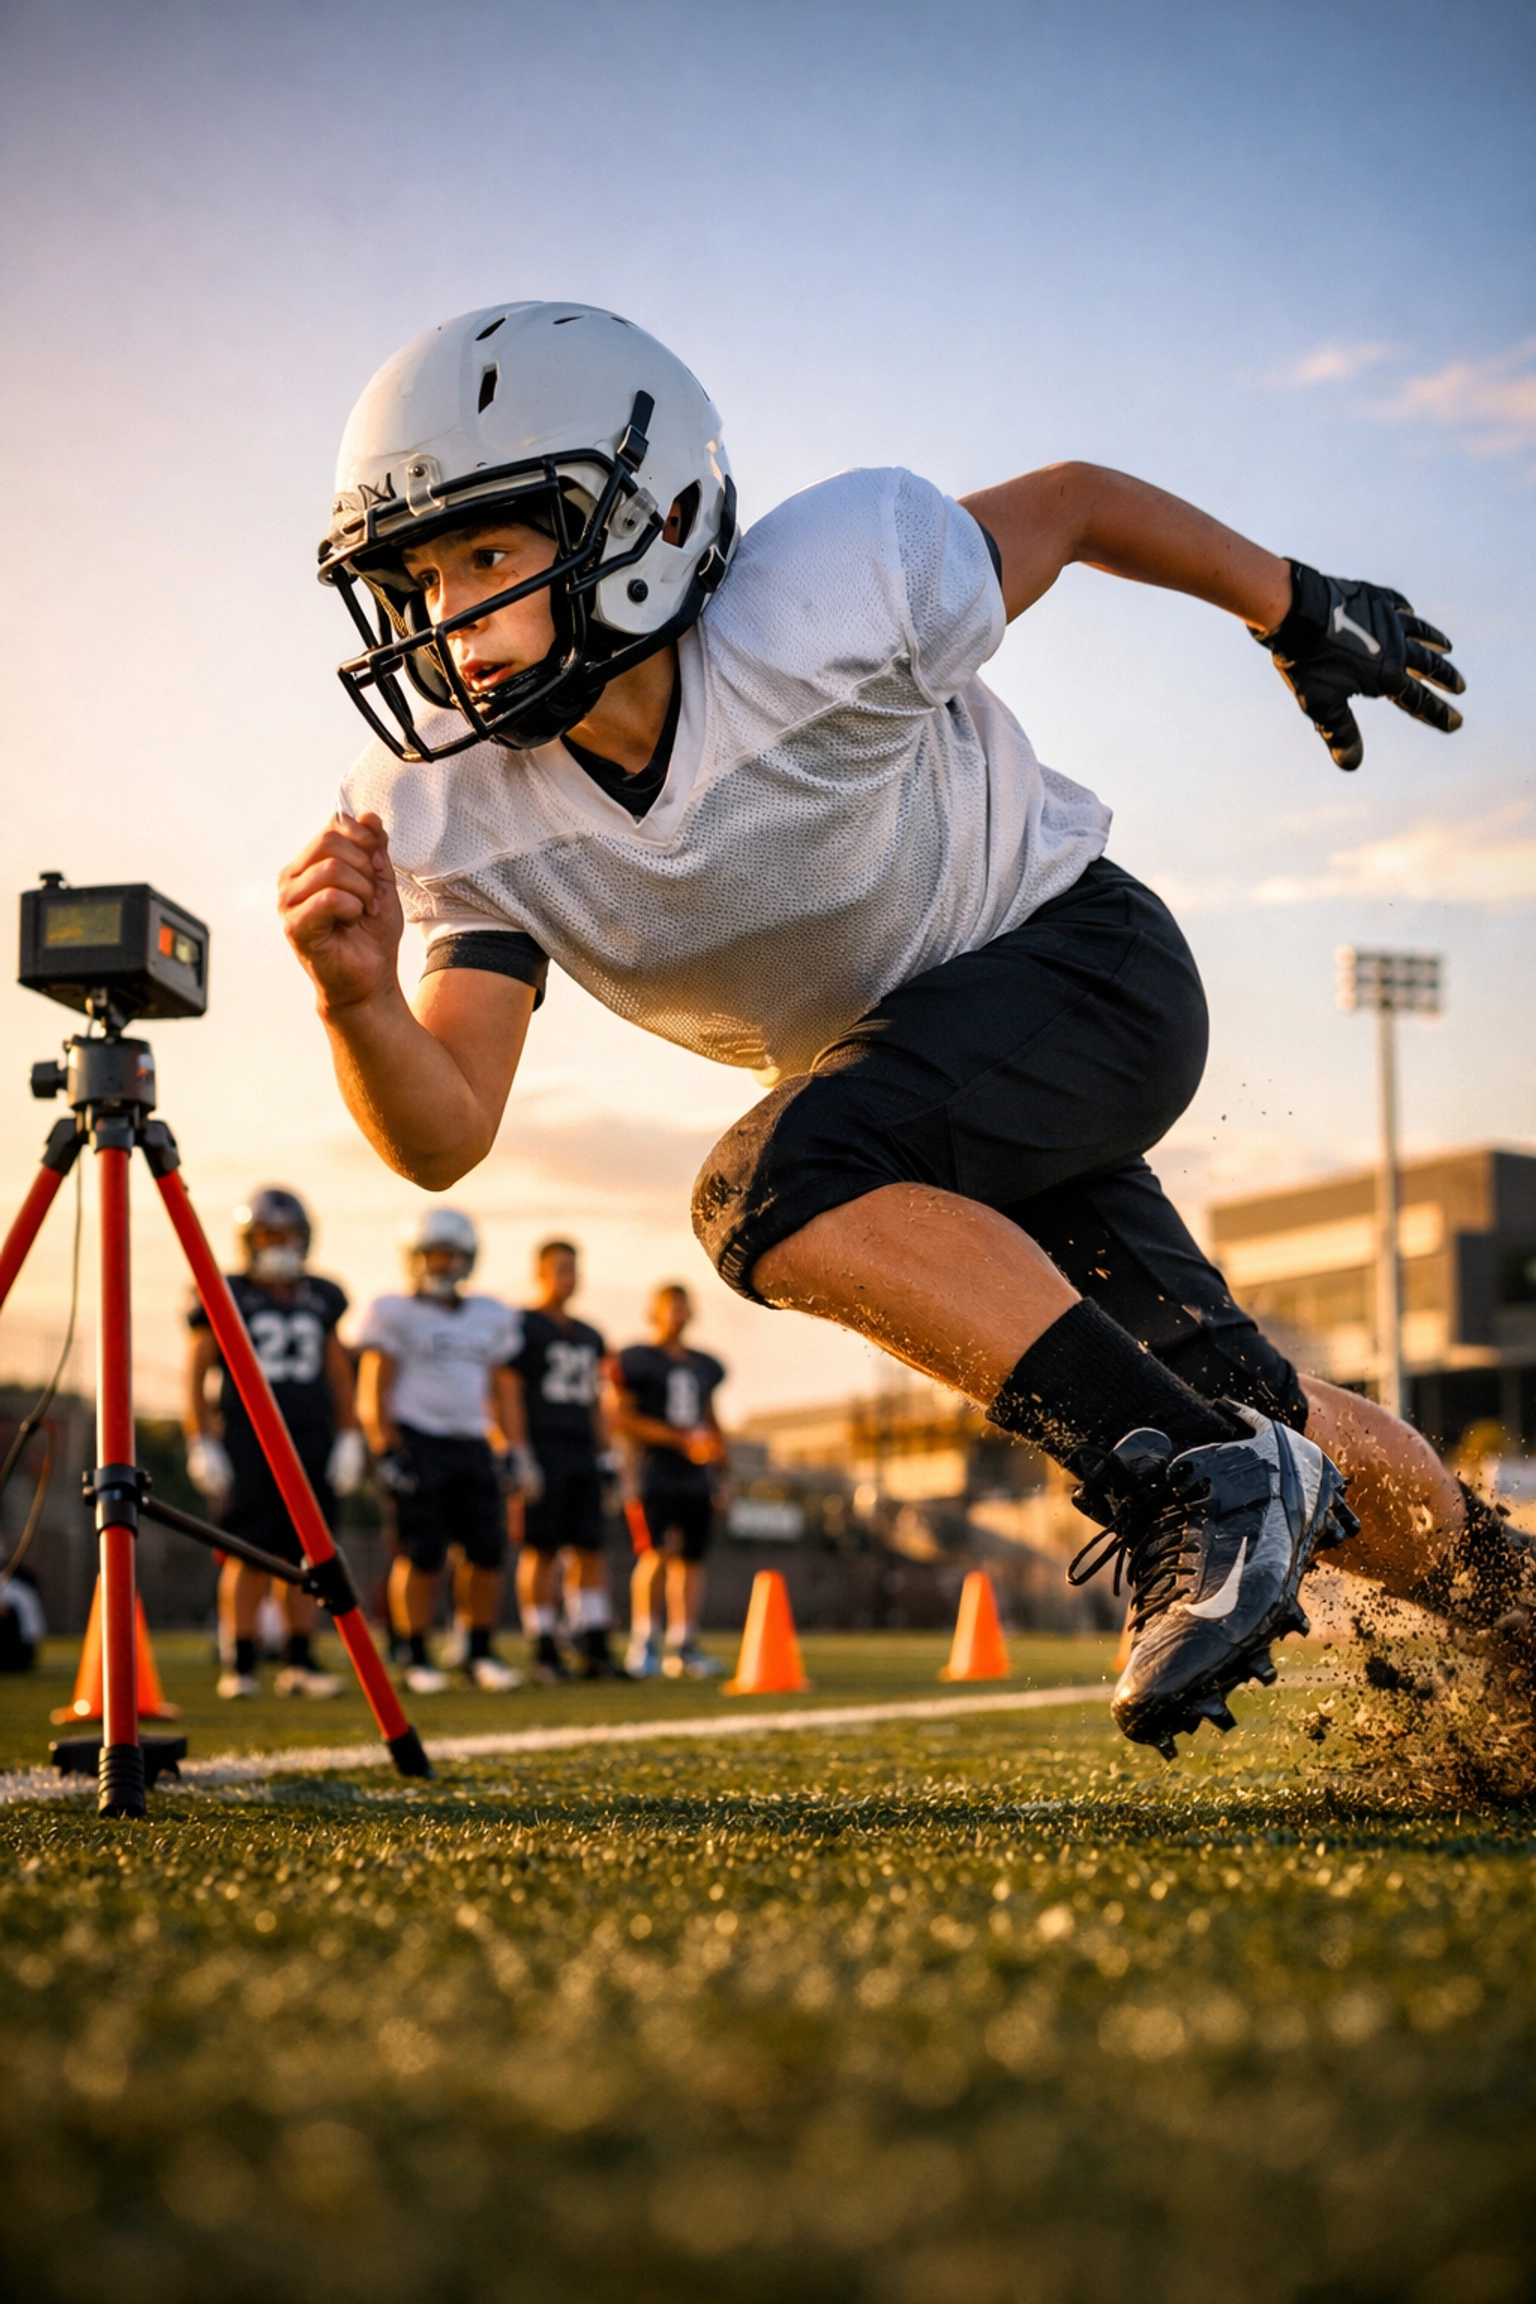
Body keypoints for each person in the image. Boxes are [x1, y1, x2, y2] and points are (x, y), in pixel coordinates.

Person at [279, 301, 1528, 1759]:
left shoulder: (830, 597)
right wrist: (357, 1001)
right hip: (924, 1099)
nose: (450, 616)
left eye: (489, 553)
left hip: (1080, 968)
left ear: (654, 515)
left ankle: (1195, 1479)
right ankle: (1508, 1605)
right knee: (1242, 1394)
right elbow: (445, 1132)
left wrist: (1296, 606)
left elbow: (1075, 507)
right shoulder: (459, 807)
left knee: (767, 1192)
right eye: (418, 579)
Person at [184, 1188, 364, 1699]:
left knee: (307, 1555)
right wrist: (202, 1440)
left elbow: (338, 1373)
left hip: (311, 1436)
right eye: (270, 1235)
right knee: (248, 1552)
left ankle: (299, 1662)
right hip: (247, 1437)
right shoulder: (225, 1291)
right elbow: (195, 1374)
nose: (281, 1245)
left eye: (290, 1235)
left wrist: (350, 1435)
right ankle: (239, 1663)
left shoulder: (323, 1295)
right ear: (250, 1240)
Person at [356, 1207, 534, 1693]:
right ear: (413, 1258)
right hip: (417, 1439)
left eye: (452, 1255)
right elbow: (373, 1390)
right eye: (433, 1254)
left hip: (472, 1442)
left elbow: (504, 1388)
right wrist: (385, 1450)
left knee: (486, 1552)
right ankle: (414, 1653)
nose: (442, 1264)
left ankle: (476, 1650)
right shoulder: (395, 1311)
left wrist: (516, 1448)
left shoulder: (490, 1314)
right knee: (422, 1552)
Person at [507, 1238, 620, 1680]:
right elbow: (507, 1390)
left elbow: (597, 1400)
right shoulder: (522, 1325)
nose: (567, 1277)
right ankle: (543, 1646)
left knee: (590, 1549)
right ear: (539, 1272)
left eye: (573, 1268)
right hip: (542, 1447)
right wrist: (515, 1449)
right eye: (559, 1268)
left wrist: (605, 1454)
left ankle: (594, 1643)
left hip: (581, 1452)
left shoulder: (590, 1334)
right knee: (542, 1550)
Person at [608, 1284, 728, 1679]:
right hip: (652, 1473)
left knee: (691, 1560)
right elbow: (621, 1420)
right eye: (670, 1307)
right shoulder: (637, 1359)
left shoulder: (703, 1364)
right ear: (654, 1312)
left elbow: (710, 1419)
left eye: (683, 1307)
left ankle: (685, 1643)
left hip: (695, 1476)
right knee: (655, 1554)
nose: (678, 1314)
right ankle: (644, 1641)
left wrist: (722, 1469)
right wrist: (680, 1440)